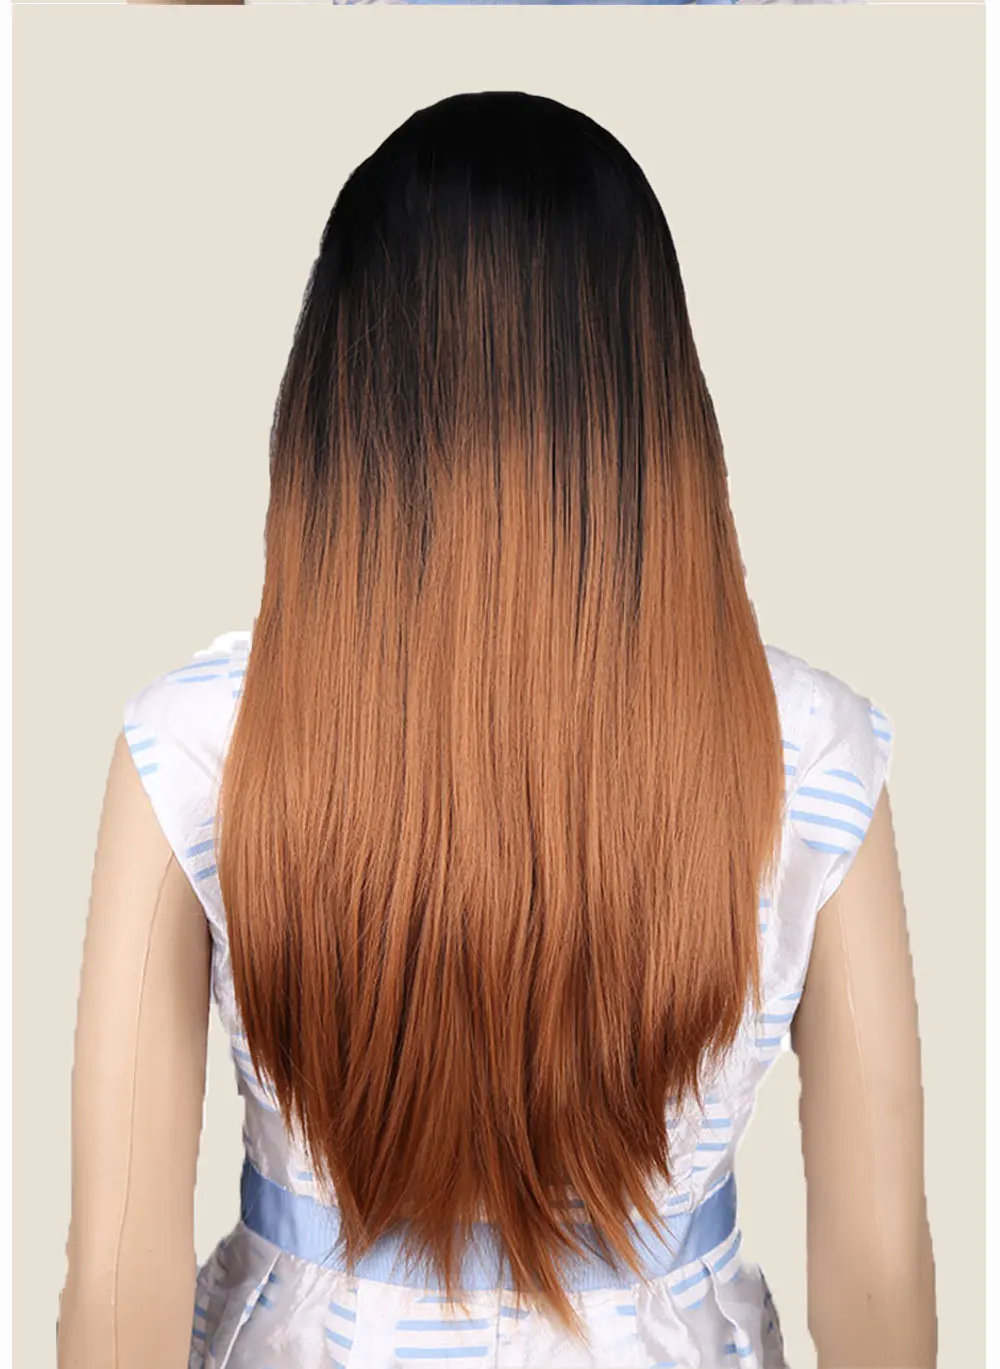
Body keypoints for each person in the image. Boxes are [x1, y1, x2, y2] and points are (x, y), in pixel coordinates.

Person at [57, 91, 936, 1369]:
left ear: (339, 396)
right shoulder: (811, 750)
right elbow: (877, 1274)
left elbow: (115, 1285)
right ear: (655, 398)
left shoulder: (196, 745)